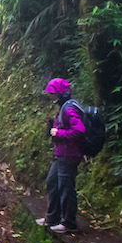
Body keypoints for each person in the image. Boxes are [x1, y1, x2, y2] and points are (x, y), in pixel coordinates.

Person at [36, 77, 85, 233]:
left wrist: (59, 132)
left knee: (66, 188)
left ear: (61, 94)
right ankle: (52, 217)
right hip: (61, 154)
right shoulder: (65, 106)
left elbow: (79, 130)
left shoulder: (69, 109)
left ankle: (69, 223)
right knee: (52, 183)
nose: (52, 98)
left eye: (53, 94)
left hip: (69, 155)